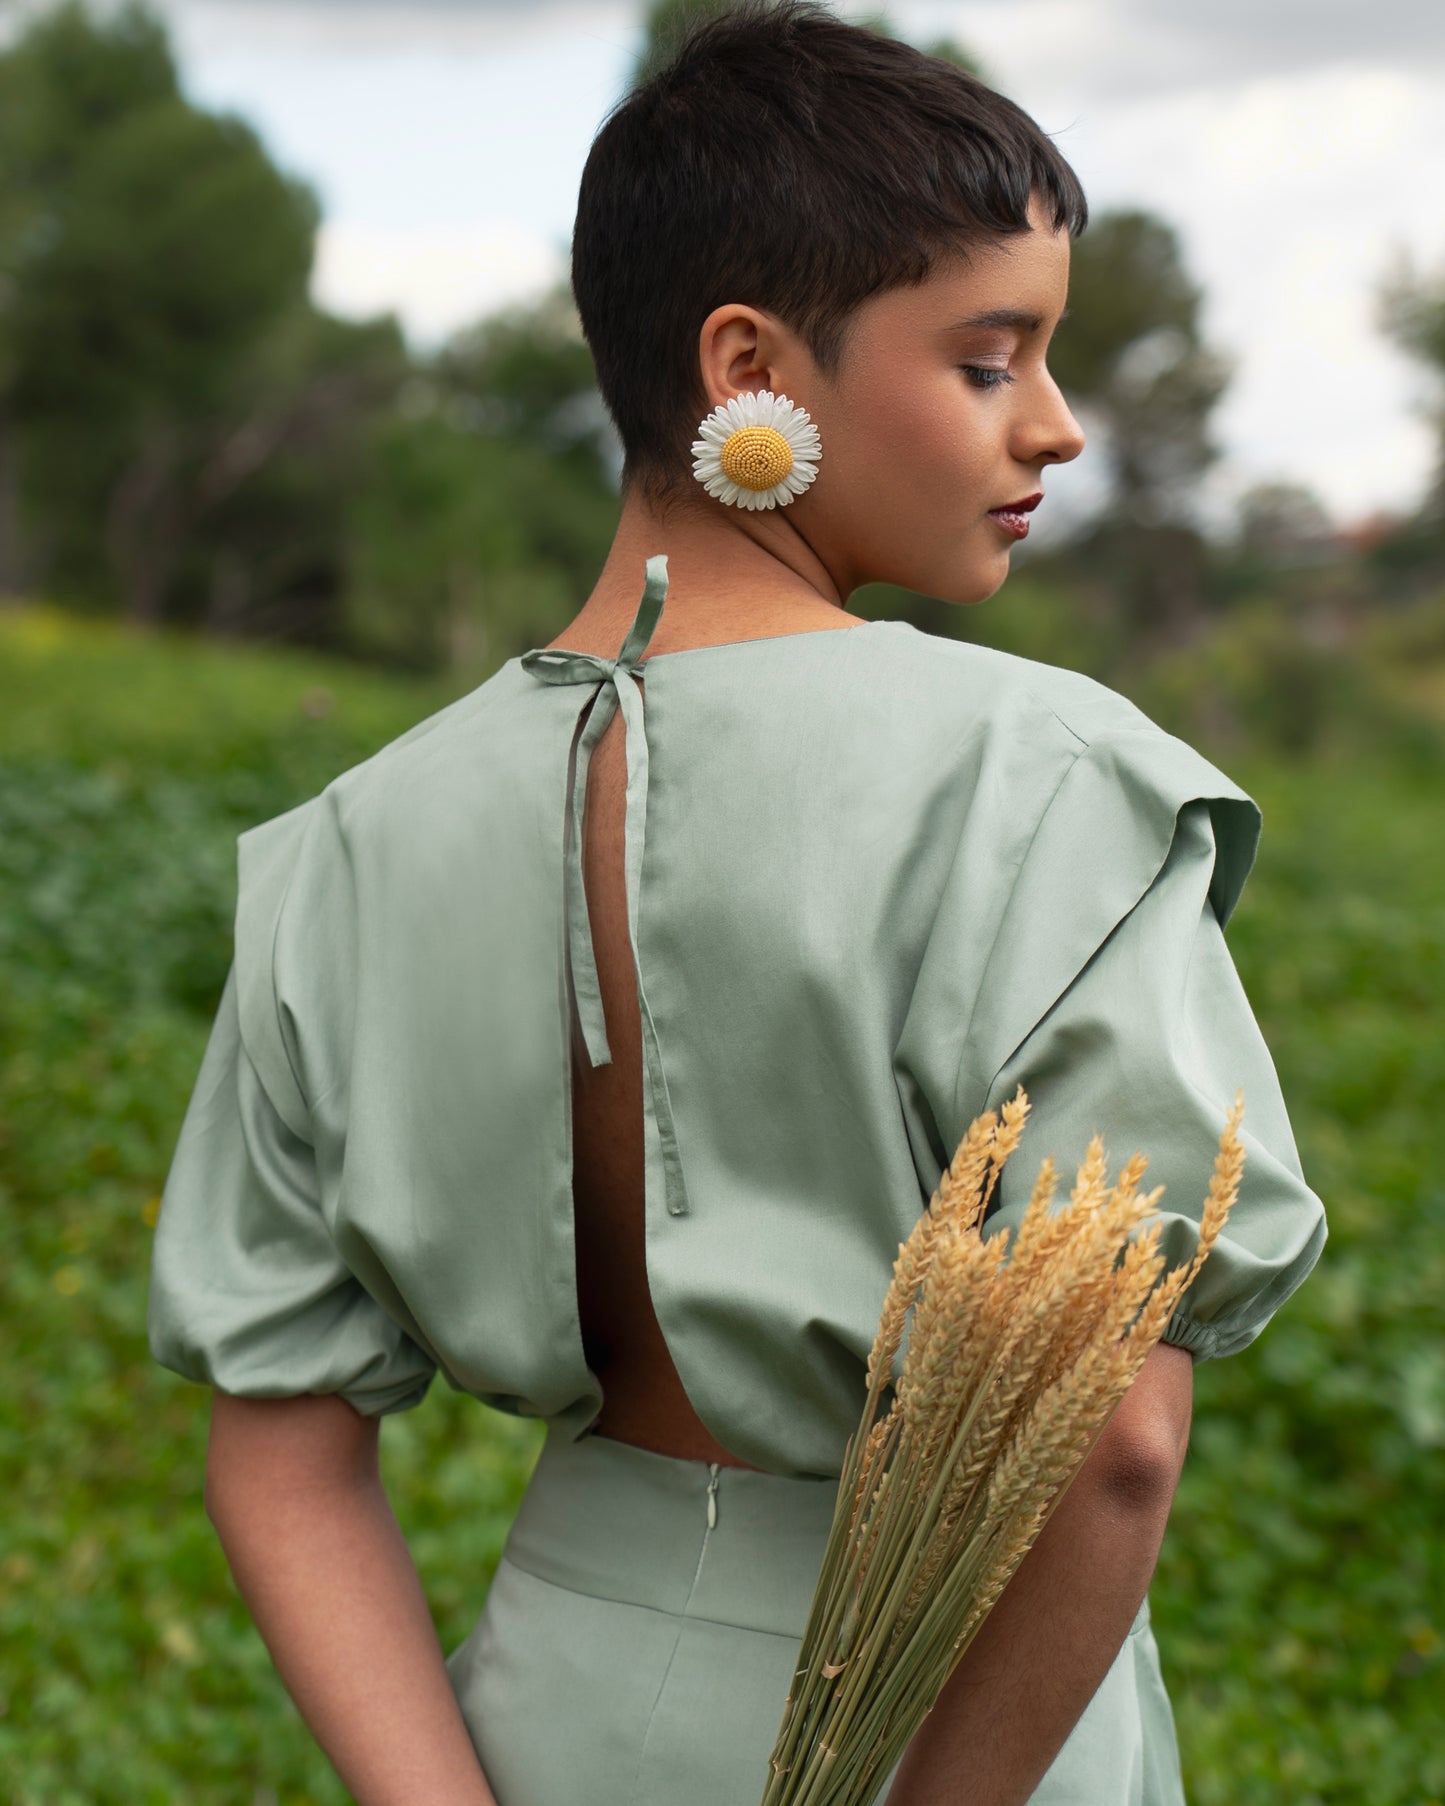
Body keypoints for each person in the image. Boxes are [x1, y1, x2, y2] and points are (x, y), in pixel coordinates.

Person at [146, 4, 1328, 1803]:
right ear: (746, 364)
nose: (1060, 428)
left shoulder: (348, 846)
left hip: (551, 1704)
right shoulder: (1036, 776)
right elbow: (1109, 1448)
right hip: (967, 1721)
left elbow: (279, 1443)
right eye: (989, 360)